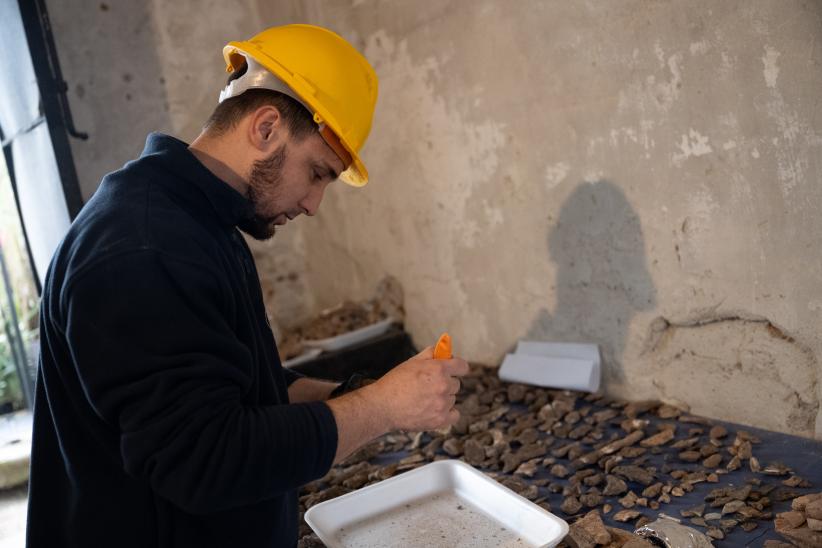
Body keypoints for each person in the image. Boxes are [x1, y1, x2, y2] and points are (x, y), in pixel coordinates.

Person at [26, 24, 468, 548]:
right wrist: (382, 409)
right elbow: (207, 462)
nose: (313, 204)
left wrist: (360, 394)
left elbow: (239, 383)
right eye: (318, 173)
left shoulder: (199, 222)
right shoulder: (144, 249)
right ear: (265, 128)